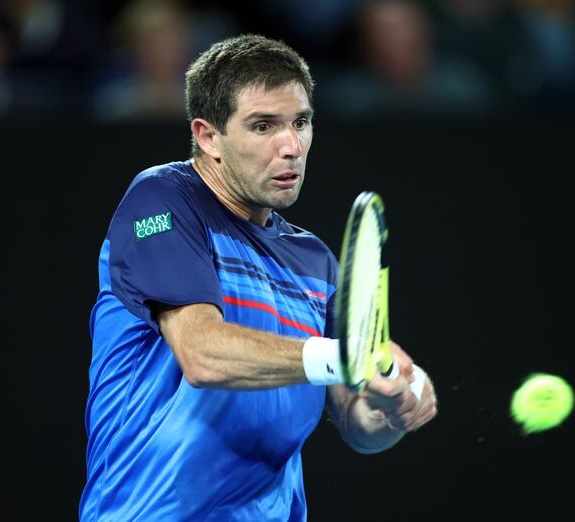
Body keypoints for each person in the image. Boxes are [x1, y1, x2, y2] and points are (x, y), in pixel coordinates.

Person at [80, 33, 438, 521]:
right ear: (208, 137)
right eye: (263, 125)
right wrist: (347, 357)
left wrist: (390, 409)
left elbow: (356, 422)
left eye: (301, 122)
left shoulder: (315, 261)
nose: (291, 146)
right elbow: (202, 354)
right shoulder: (162, 200)